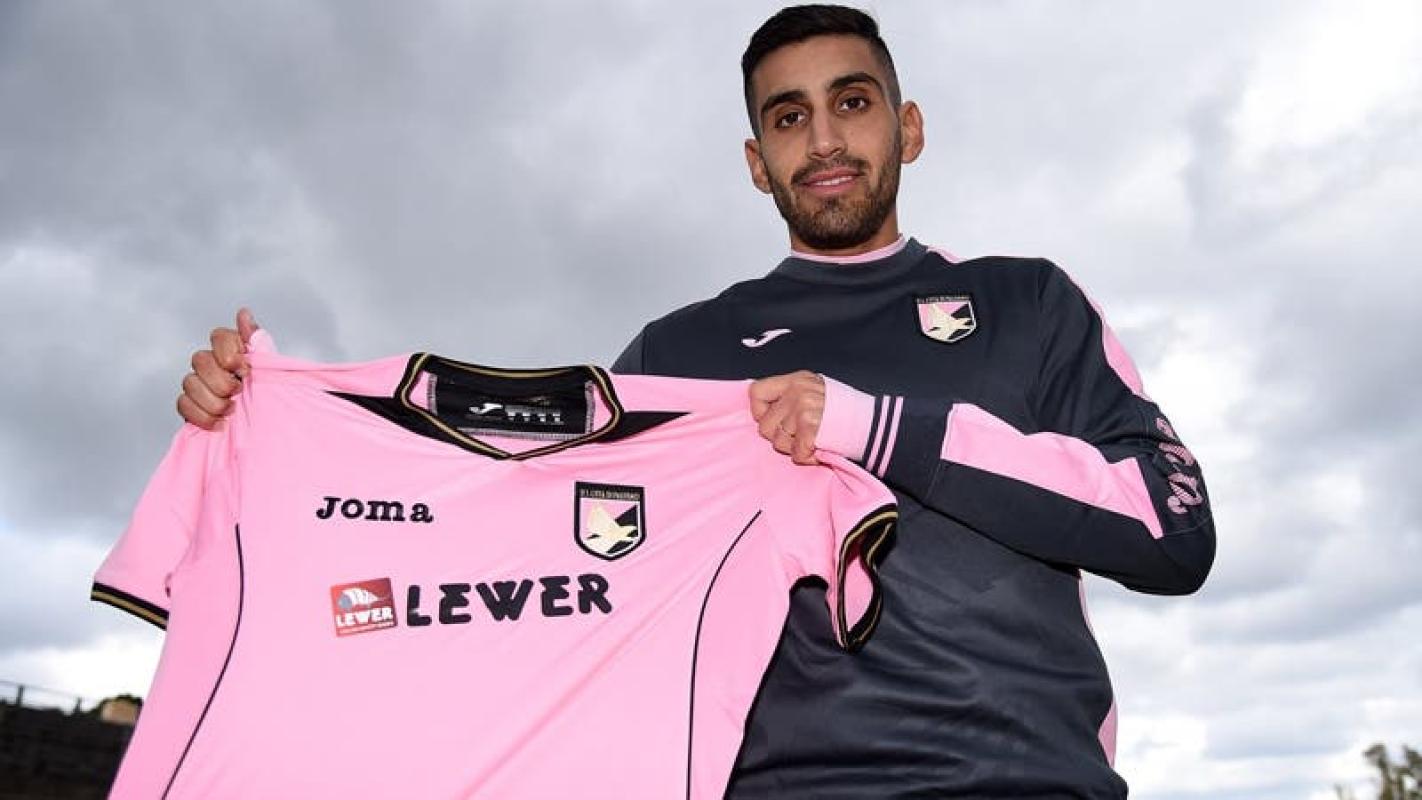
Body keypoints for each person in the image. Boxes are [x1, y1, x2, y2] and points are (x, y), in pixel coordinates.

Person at [176, 5, 1214, 797]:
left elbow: (1175, 534)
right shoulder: (681, 353)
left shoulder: (1027, 302)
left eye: (852, 103)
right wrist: (277, 424)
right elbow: (503, 512)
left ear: (908, 127)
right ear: (758, 163)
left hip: (1024, 780)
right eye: (789, 117)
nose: (825, 139)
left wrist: (873, 425)